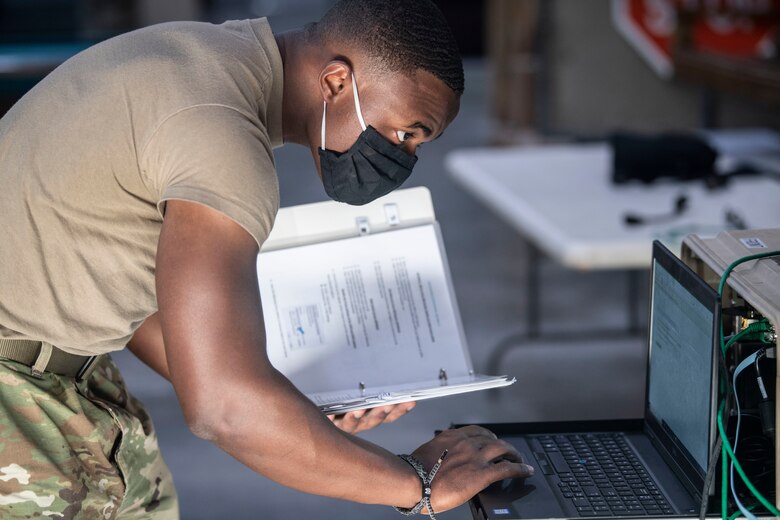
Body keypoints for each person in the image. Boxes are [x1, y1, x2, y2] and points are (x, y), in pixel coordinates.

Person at [0, 0, 533, 518]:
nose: (404, 156)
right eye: (405, 132)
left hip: (58, 367)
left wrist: (293, 404)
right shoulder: (224, 142)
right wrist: (417, 485)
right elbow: (224, 409)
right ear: (336, 82)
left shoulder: (200, 55)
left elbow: (121, 286)